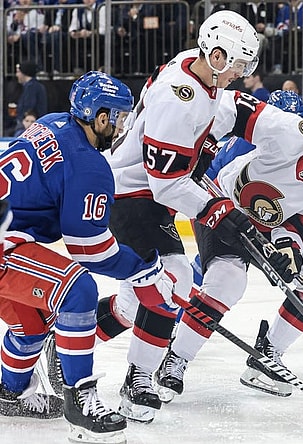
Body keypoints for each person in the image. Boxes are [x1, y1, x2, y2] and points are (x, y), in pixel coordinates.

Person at [94, 10, 291, 424]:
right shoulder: (178, 97)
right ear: (217, 56)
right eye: (238, 63)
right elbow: (166, 183)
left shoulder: (197, 68)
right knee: (173, 280)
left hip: (148, 193)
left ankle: (67, 340)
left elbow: (227, 114)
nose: (242, 72)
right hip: (130, 192)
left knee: (137, 300)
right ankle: (138, 380)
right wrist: (220, 212)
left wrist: (299, 131)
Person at [152, 88, 303, 400]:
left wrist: (290, 250)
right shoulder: (290, 133)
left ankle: (267, 357)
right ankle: (177, 358)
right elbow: (234, 108)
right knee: (227, 281)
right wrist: (204, 140)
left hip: (271, 224)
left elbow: (302, 231)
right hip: (223, 204)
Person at [0, 72, 176, 444]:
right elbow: (89, 250)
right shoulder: (88, 163)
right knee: (76, 290)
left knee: (33, 321)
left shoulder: (53, 123)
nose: (123, 125)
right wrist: (143, 269)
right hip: (4, 244)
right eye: (120, 116)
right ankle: (79, 400)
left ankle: (8, 391)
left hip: (8, 237)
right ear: (100, 117)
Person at [13, 61, 47, 136]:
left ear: (24, 72)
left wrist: (23, 119)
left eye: (18, 72)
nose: (17, 75)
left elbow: (28, 107)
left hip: (31, 129)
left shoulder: (31, 87)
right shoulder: (32, 86)